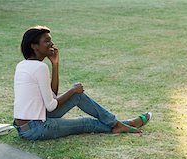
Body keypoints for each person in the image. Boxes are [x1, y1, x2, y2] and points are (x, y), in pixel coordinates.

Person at [13, 25, 151, 140]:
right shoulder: (40, 67)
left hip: (28, 125)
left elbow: (52, 96)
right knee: (86, 122)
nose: (52, 44)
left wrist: (55, 65)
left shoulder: (23, 65)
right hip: (36, 128)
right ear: (34, 46)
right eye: (47, 41)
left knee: (78, 96)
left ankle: (117, 124)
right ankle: (126, 124)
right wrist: (72, 90)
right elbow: (51, 106)